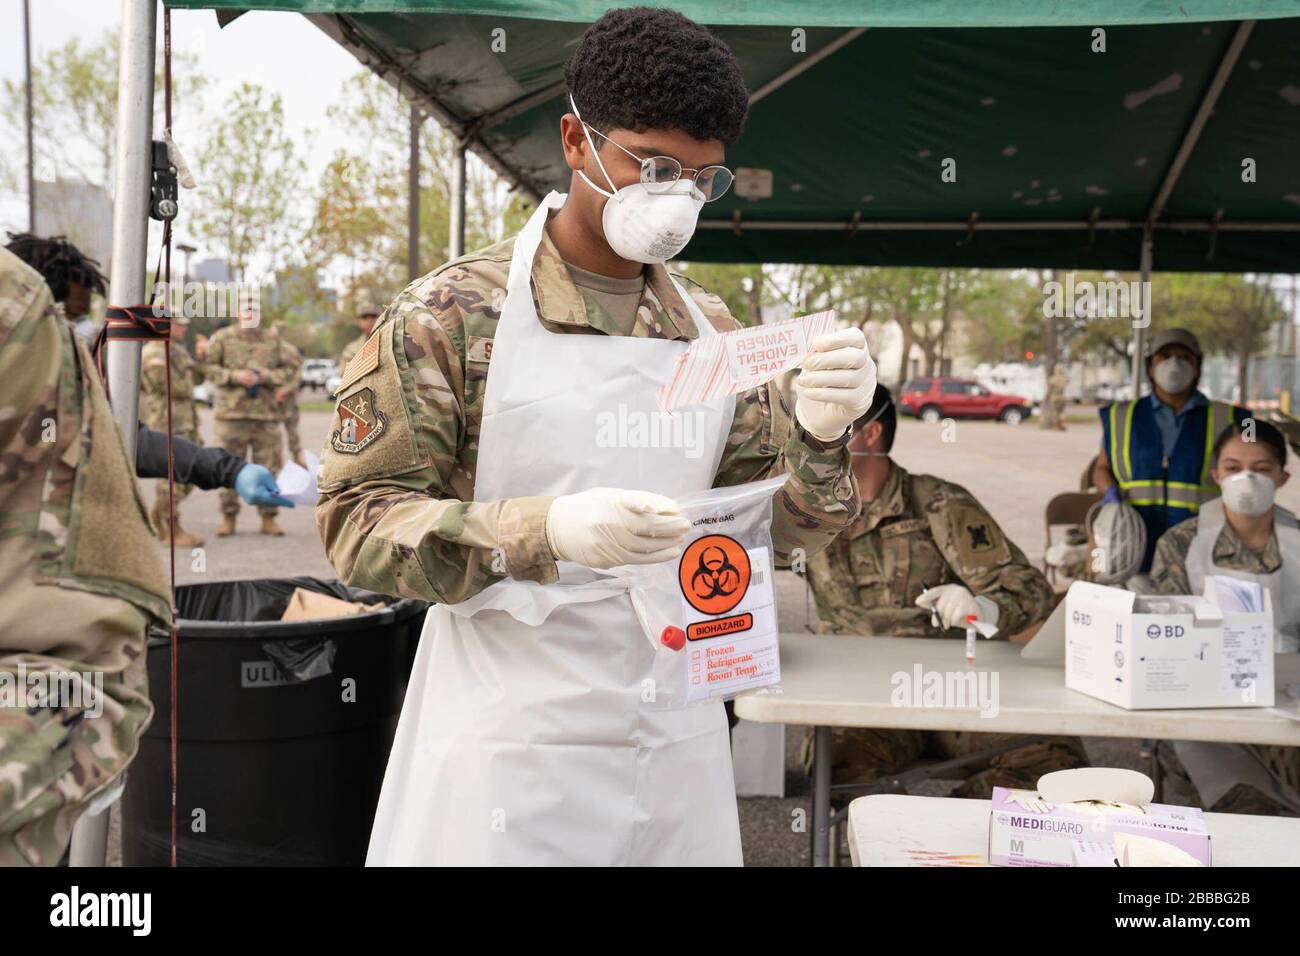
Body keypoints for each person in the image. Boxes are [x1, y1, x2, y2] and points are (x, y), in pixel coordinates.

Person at [316, 6, 872, 866]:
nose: (676, 196)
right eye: (652, 165)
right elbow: (356, 528)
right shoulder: (453, 317)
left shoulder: (711, 333)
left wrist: (823, 436)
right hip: (509, 741)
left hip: (674, 726)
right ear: (576, 140)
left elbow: (784, 527)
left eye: (701, 178)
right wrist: (547, 531)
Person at [805, 385, 1086, 795]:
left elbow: (1031, 589)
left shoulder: (937, 504)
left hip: (953, 689)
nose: (819, 442)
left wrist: (984, 608)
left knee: (1055, 764)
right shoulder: (808, 514)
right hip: (861, 698)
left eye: (833, 431)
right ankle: (892, 845)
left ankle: (953, 836)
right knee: (837, 769)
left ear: (871, 435)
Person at [0, 247, 172, 866]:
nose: (80, 324)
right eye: (72, 313)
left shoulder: (20, 328)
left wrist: (227, 467)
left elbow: (128, 439)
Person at [3, 232, 290, 513]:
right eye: (73, 317)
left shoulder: (60, 380)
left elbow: (120, 439)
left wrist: (232, 470)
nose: (81, 332)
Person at [1150, 419, 1300, 815]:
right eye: (1234, 468)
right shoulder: (1181, 544)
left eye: (1262, 469)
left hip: (1290, 701)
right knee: (1246, 803)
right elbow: (1163, 642)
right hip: (1204, 705)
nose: (1247, 479)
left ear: (1283, 477)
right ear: (1216, 475)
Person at [1093, 328, 1247, 573]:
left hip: (1203, 549)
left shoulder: (1237, 417)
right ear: (1150, 366)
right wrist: (1109, 492)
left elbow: (1254, 461)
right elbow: (1101, 467)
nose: (1174, 363)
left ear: (1197, 367)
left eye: (1184, 357)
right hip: (1134, 550)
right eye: (1164, 356)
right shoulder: (1118, 416)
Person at [205, 303, 301, 536]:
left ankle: (268, 518)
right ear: (237, 313)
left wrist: (264, 376)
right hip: (231, 417)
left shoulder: (273, 341)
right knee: (227, 468)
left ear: (261, 314)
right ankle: (229, 517)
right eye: (245, 310)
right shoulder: (221, 338)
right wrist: (235, 376)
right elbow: (207, 369)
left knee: (269, 468)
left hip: (265, 416)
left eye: (255, 310)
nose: (250, 315)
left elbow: (290, 371)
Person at [139, 314, 205, 546]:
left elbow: (197, 380)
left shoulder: (176, 349)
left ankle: (160, 513)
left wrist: (199, 358)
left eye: (185, 325)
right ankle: (171, 529)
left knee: (191, 473)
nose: (184, 328)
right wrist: (186, 376)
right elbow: (174, 387)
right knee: (171, 476)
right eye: (179, 324)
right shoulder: (154, 352)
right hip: (167, 423)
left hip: (186, 423)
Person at [271, 321, 306, 468]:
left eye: (279, 331)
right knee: (271, 437)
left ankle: (299, 465)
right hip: (269, 400)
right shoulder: (266, 349)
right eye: (275, 330)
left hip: (288, 401)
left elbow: (298, 374)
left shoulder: (290, 351)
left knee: (293, 435)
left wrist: (286, 390)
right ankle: (275, 467)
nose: (276, 333)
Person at [338, 300, 381, 373]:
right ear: (358, 321)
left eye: (373, 317)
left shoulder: (388, 341)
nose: (369, 321)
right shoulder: (351, 350)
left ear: (379, 318)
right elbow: (344, 375)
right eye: (364, 317)